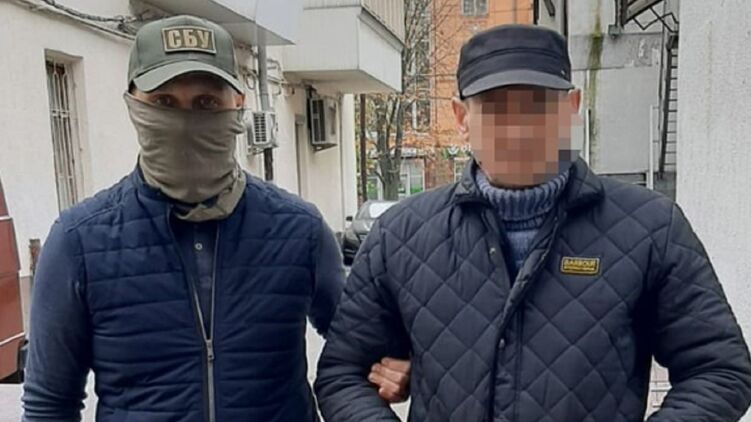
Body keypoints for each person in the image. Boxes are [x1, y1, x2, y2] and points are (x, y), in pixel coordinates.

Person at [315, 24, 751, 421]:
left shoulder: (650, 227)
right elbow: (343, 375)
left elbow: (720, 370)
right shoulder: (402, 235)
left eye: (538, 106)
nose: (519, 130)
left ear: (571, 108)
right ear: (462, 118)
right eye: (496, 108)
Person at [22, 15, 408, 421]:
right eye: (164, 103)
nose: (184, 122)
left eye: (206, 103)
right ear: (133, 105)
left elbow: (361, 352)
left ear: (238, 105)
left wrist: (396, 367)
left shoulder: (300, 231)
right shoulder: (79, 242)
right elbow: (50, 404)